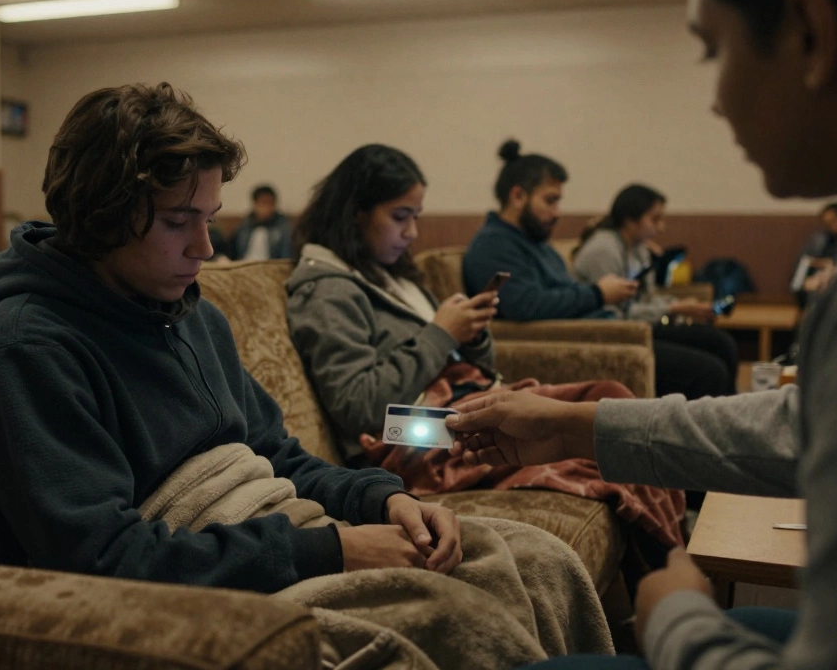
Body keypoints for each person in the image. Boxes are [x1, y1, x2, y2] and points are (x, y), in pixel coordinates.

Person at [447, 0, 837, 668]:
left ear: (811, 34)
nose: (716, 98)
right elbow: (806, 424)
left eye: (715, 50)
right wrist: (573, 426)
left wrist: (681, 622)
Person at [0, 83, 602, 666]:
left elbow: (280, 452)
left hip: (380, 455)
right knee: (484, 523)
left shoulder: (371, 284)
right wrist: (439, 353)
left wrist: (386, 493)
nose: (205, 249)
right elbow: (364, 410)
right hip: (397, 441)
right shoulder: (31, 352)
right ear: (103, 218)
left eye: (209, 219)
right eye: (179, 223)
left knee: (548, 528)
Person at [286, 143, 686, 548]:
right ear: (356, 212)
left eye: (416, 217)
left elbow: (468, 362)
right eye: (400, 217)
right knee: (597, 446)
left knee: (610, 398)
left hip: (460, 406)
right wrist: (441, 333)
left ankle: (673, 559)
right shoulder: (327, 290)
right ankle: (670, 565)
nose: (412, 233)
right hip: (412, 436)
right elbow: (357, 405)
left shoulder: (391, 273)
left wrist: (470, 336)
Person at [573, 183, 739, 398]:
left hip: (639, 324)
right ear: (630, 220)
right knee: (711, 370)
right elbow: (618, 314)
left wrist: (682, 306)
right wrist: (674, 308)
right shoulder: (603, 251)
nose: (660, 227)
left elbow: (648, 297)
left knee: (721, 343)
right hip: (615, 332)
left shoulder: (639, 247)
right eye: (654, 219)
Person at [462, 140, 638, 321]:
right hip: (567, 341)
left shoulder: (537, 244)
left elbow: (564, 291)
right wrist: (598, 294)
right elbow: (524, 306)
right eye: (550, 201)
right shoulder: (493, 245)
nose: (557, 213)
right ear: (518, 196)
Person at [789, 202, 837, 303]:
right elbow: (804, 260)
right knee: (800, 283)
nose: (830, 226)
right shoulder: (819, 239)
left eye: (833, 222)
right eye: (827, 223)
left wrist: (831, 268)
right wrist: (802, 281)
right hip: (818, 277)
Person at [229, 184, 293, 260]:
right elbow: (232, 251)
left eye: (270, 203)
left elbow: (285, 256)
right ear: (255, 204)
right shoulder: (245, 226)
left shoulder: (283, 228)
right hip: (245, 265)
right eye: (263, 203)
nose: (266, 208)